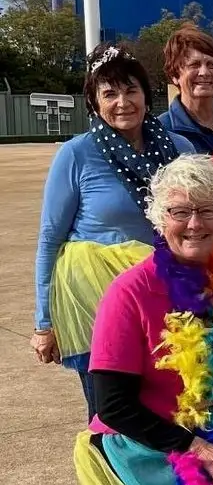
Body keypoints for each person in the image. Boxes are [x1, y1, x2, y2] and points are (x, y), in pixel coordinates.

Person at [74, 156, 213, 485]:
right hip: (142, 447)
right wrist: (197, 449)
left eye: (207, 210)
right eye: (180, 211)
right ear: (161, 219)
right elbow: (113, 405)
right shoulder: (131, 291)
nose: (194, 224)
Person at [33, 43, 194, 418]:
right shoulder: (77, 154)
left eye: (131, 90)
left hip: (164, 297)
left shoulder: (178, 148)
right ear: (93, 102)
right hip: (94, 302)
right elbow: (49, 240)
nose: (123, 102)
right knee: (115, 414)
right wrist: (44, 324)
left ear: (145, 95)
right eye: (109, 93)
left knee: (173, 411)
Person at [158, 23, 213, 152]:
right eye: (194, 65)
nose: (204, 72)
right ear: (174, 75)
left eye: (211, 65)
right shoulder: (162, 131)